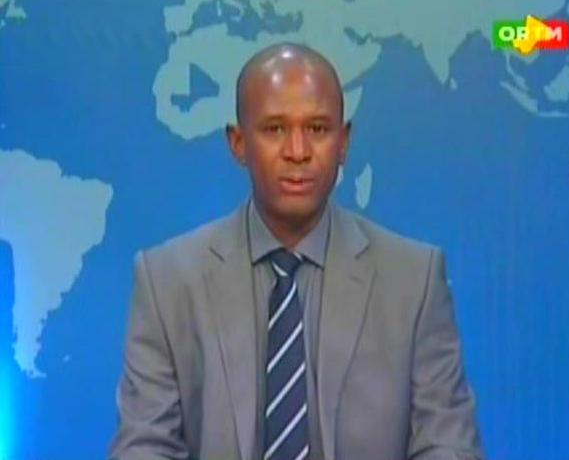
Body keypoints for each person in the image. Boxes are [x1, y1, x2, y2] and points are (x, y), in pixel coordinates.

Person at [109, 43, 483, 460]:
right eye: (274, 129)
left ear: (344, 142)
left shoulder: (414, 281)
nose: (298, 151)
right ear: (238, 143)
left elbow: (448, 445)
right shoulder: (167, 282)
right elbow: (144, 447)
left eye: (318, 129)